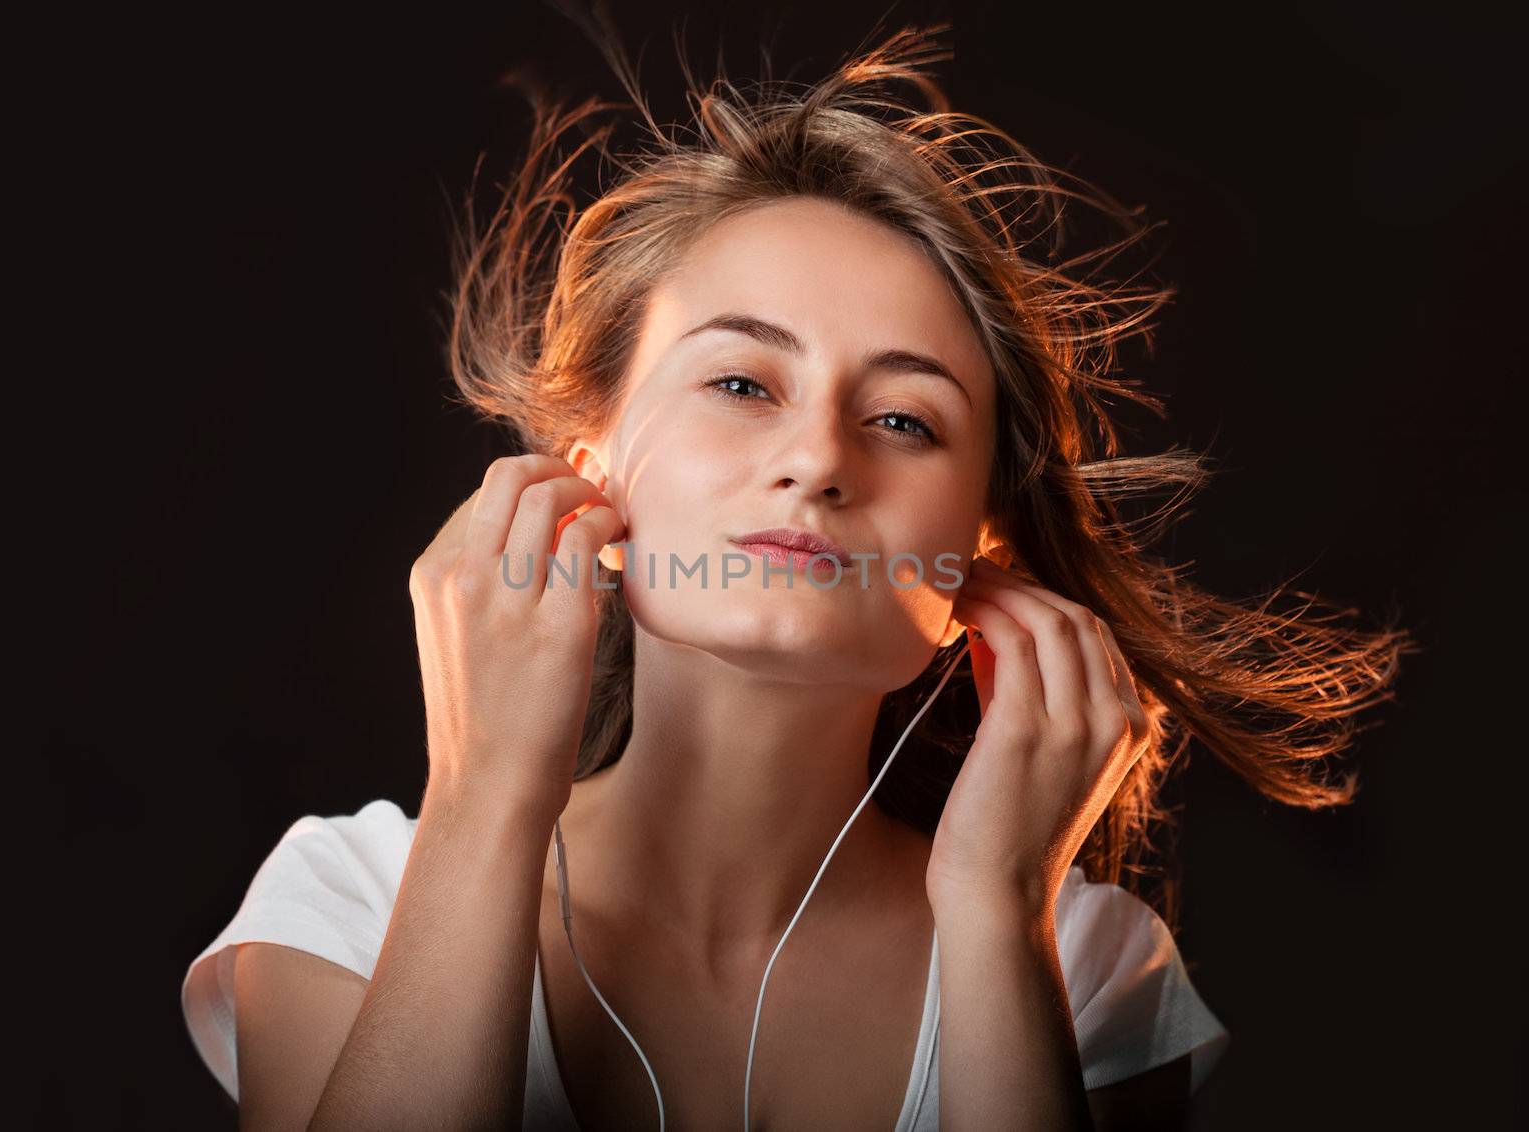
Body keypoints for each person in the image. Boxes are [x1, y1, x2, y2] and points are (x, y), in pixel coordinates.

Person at [181, 21, 1415, 1130]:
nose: (819, 460)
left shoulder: (1090, 972)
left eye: (906, 421)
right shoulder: (349, 902)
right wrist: (484, 796)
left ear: (981, 546)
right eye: (739, 384)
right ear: (589, 458)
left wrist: (995, 914)